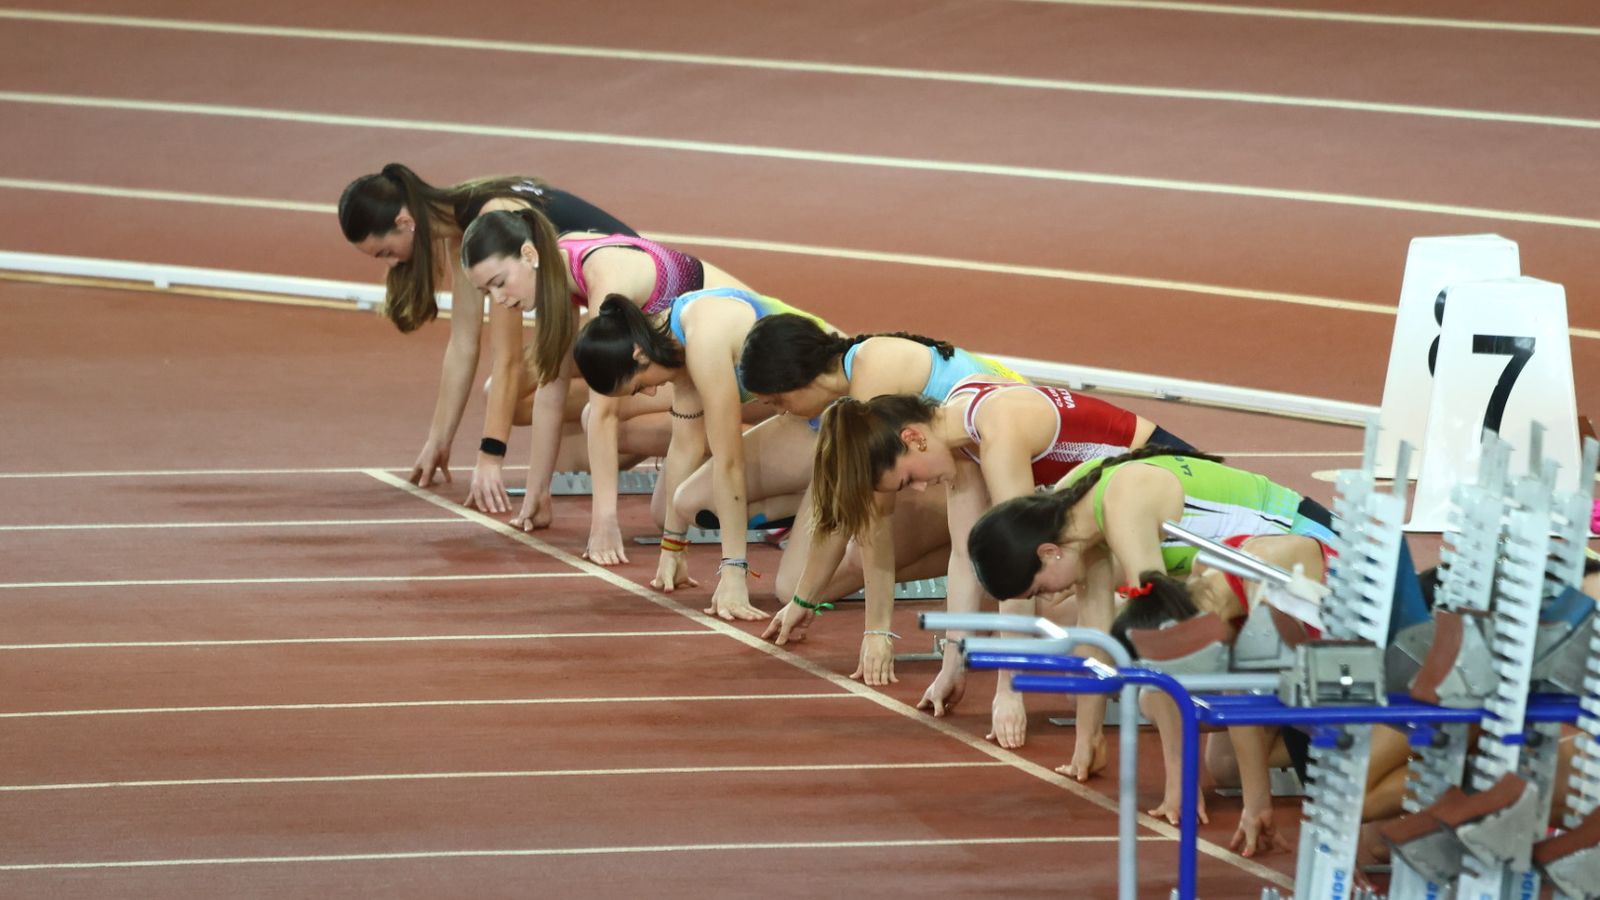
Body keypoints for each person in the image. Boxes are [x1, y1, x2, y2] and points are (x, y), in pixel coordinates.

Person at [807, 388, 1191, 744]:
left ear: (913, 438)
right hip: (1113, 513)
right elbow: (962, 557)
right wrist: (952, 664)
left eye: (909, 479)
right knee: (1060, 647)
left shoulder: (998, 431)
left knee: (1057, 626)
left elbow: (1020, 558)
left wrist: (1010, 689)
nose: (922, 490)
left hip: (1166, 489)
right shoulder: (959, 430)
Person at [965, 446, 1337, 784]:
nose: (1052, 596)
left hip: (1316, 559)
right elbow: (1098, 642)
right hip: (1255, 595)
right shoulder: (1079, 517)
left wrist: (1181, 787)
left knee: (1153, 684)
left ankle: (1362, 736)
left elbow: (1169, 648)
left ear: (1048, 553)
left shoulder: (1124, 502)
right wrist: (1087, 742)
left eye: (1041, 589)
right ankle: (1334, 741)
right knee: (1226, 767)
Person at [459, 209, 754, 563]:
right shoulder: (556, 266)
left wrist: (604, 522)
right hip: (693, 369)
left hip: (743, 360)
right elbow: (550, 388)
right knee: (590, 463)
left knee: (598, 418)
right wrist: (537, 495)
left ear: (528, 255)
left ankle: (759, 455)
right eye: (486, 290)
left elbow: (604, 414)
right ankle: (730, 454)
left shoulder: (601, 276)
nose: (499, 298)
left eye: (499, 281)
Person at [737, 315, 1028, 652]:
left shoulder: (871, 380)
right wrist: (804, 600)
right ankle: (977, 567)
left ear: (797, 380)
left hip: (1006, 465)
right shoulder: (853, 385)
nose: (783, 414)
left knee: (860, 555)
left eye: (778, 402)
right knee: (793, 585)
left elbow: (876, 517)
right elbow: (846, 504)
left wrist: (877, 632)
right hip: (965, 466)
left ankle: (984, 569)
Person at [337, 164, 634, 489]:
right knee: (564, 459)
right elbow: (463, 343)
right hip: (601, 314)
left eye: (386, 252)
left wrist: (491, 455)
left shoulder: (490, 221)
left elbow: (508, 358)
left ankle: (670, 416)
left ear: (405, 222)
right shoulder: (461, 226)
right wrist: (438, 439)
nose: (392, 264)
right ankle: (644, 419)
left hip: (636, 310)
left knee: (518, 391)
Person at [573, 291, 834, 620]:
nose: (652, 393)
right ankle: (817, 502)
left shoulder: (704, 341)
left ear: (638, 354)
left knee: (790, 587)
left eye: (639, 386)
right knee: (686, 503)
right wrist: (672, 548)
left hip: (835, 410)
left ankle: (845, 502)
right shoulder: (672, 339)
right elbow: (685, 445)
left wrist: (734, 572)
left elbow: (729, 461)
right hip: (798, 413)